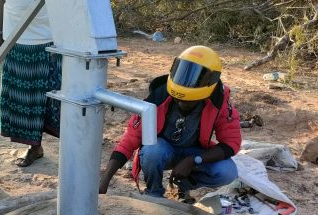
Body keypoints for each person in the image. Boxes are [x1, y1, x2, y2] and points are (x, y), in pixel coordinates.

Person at [99, 46, 241, 203]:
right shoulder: (158, 97)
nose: (181, 103)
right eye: (178, 100)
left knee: (228, 171)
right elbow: (131, 138)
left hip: (193, 153)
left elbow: (231, 143)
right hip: (162, 151)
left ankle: (182, 187)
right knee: (152, 151)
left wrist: (194, 160)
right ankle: (154, 194)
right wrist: (106, 178)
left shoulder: (219, 100)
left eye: (188, 102)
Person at [0, 0, 62, 167]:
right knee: (23, 96)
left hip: (48, 37)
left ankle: (69, 151)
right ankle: (35, 147)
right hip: (15, 37)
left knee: (54, 97)